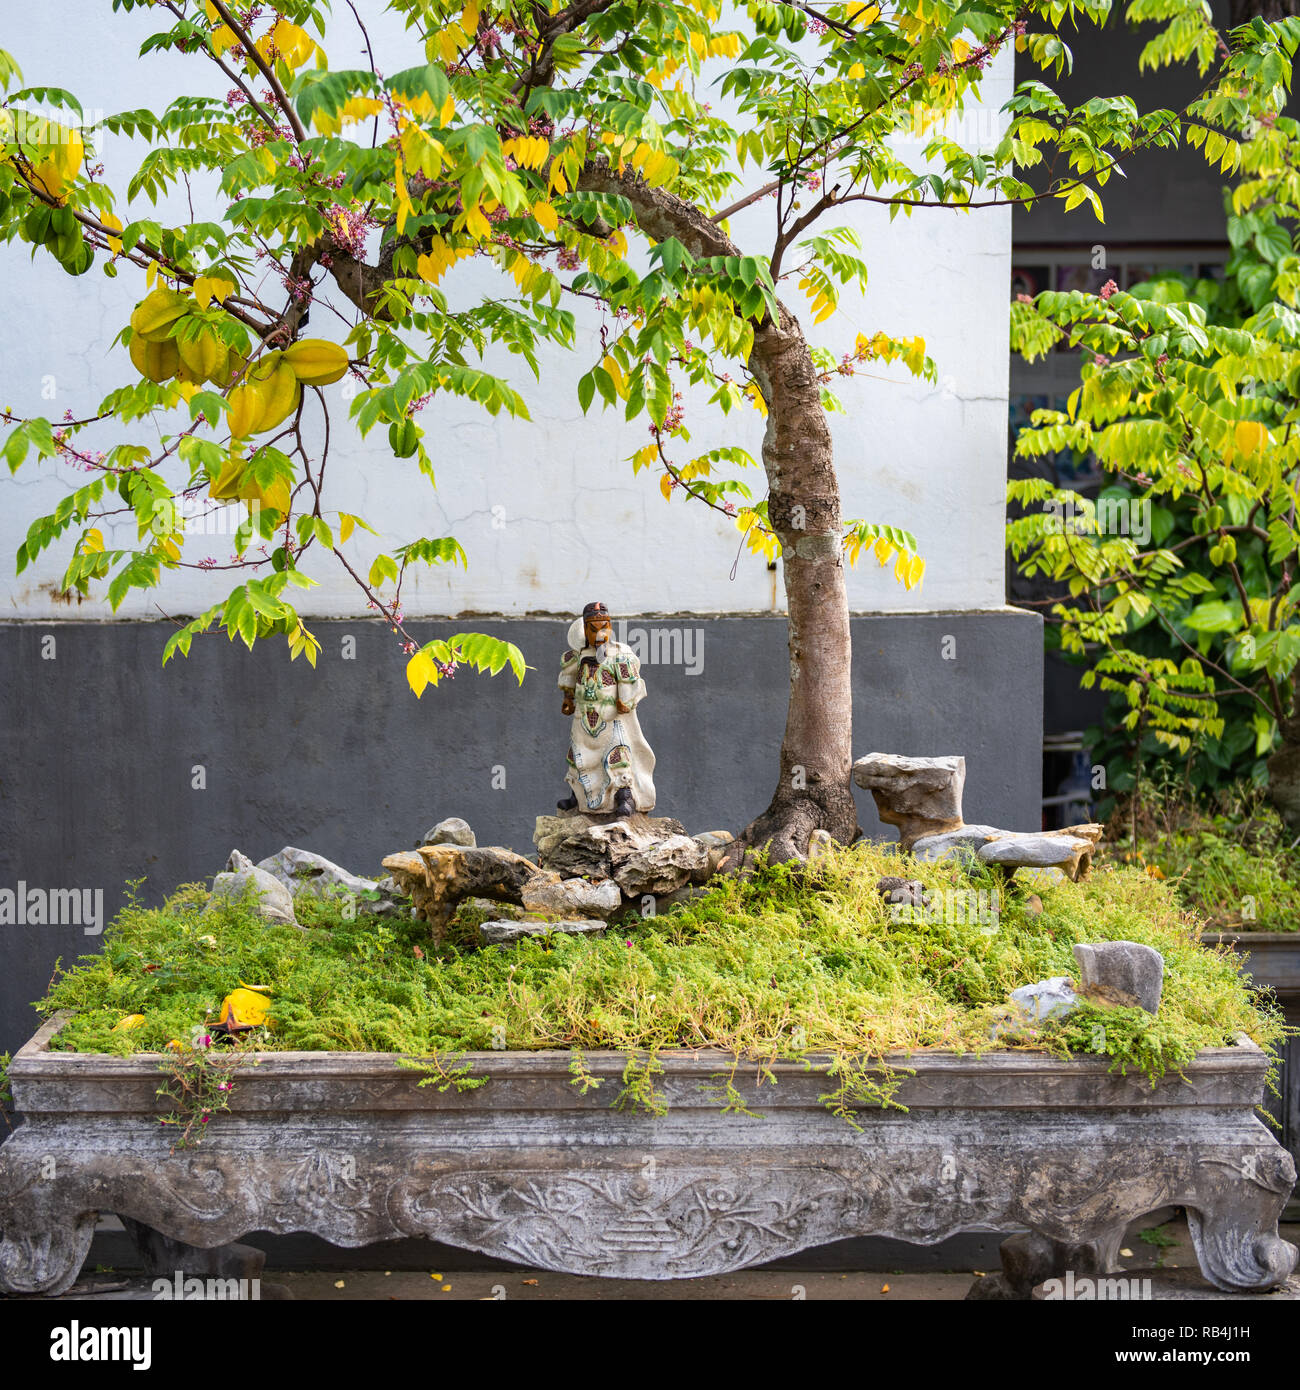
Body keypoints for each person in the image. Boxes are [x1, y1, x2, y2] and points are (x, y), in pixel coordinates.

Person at [557, 601, 656, 816]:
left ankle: (625, 798)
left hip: (611, 719)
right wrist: (568, 697)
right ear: (584, 629)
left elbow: (630, 681)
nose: (600, 633)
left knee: (618, 757)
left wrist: (626, 701)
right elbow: (570, 676)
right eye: (593, 628)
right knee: (578, 757)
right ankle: (577, 796)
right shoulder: (579, 655)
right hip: (583, 718)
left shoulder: (619, 655)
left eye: (604, 626)